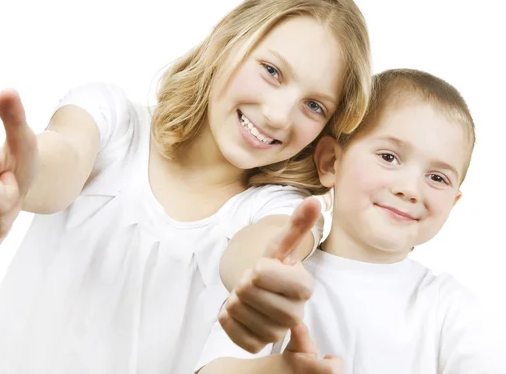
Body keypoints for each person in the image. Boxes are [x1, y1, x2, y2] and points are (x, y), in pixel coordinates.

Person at [0, 0, 371, 374]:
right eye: (272, 71)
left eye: (314, 106)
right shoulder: (113, 123)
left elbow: (262, 253)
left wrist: (265, 279)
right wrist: (20, 181)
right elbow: (63, 159)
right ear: (227, 39)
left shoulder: (277, 209)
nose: (279, 116)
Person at [197, 69, 500, 374]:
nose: (409, 189)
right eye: (389, 157)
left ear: (453, 202)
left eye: (437, 178)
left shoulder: (452, 310)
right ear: (331, 162)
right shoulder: (277, 280)